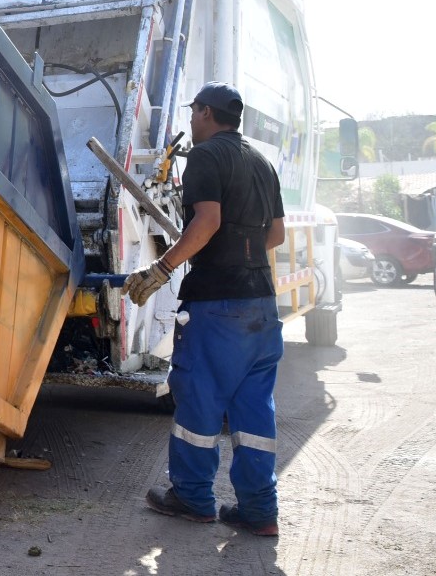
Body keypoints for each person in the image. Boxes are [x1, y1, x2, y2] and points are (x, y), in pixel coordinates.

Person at [127, 81, 286, 538]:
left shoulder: (206, 156)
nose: (192, 119)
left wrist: (162, 267)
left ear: (206, 113)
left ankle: (193, 497)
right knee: (253, 411)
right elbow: (276, 234)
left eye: (194, 111)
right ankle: (259, 510)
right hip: (262, 304)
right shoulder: (261, 161)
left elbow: (208, 220)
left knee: (200, 396)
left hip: (217, 304)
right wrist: (241, 253)